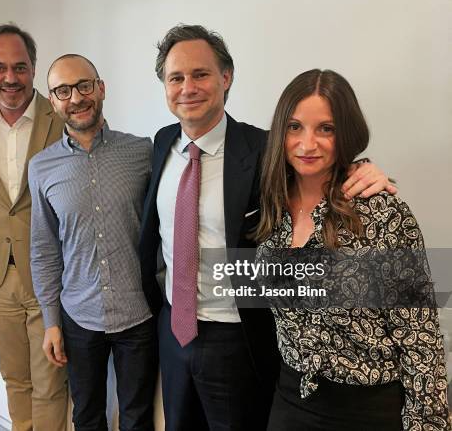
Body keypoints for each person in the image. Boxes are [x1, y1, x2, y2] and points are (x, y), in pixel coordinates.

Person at [139, 24, 396, 430]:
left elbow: (317, 169)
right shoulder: (161, 142)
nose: (188, 87)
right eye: (176, 77)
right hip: (174, 331)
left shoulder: (264, 150)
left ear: (226, 77)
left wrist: (362, 171)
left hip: (236, 339)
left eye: (201, 74)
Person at [255, 69, 450, 430]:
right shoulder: (271, 206)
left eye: (325, 129)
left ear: (345, 133)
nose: (307, 143)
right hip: (290, 401)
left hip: (367, 410)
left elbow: (420, 340)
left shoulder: (379, 212)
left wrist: (429, 423)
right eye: (295, 127)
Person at [29, 54, 157, 431]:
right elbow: (44, 249)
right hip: (79, 316)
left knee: (137, 416)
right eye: (63, 91)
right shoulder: (41, 167)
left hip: (138, 313)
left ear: (101, 88)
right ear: (52, 101)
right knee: (86, 416)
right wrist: (51, 322)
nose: (76, 97)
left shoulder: (142, 152)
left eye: (84, 85)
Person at [0, 23, 68, 431]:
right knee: (15, 378)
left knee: (49, 382)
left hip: (49, 275)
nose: (10, 78)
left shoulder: (61, 117)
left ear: (33, 68)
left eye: (20, 67)